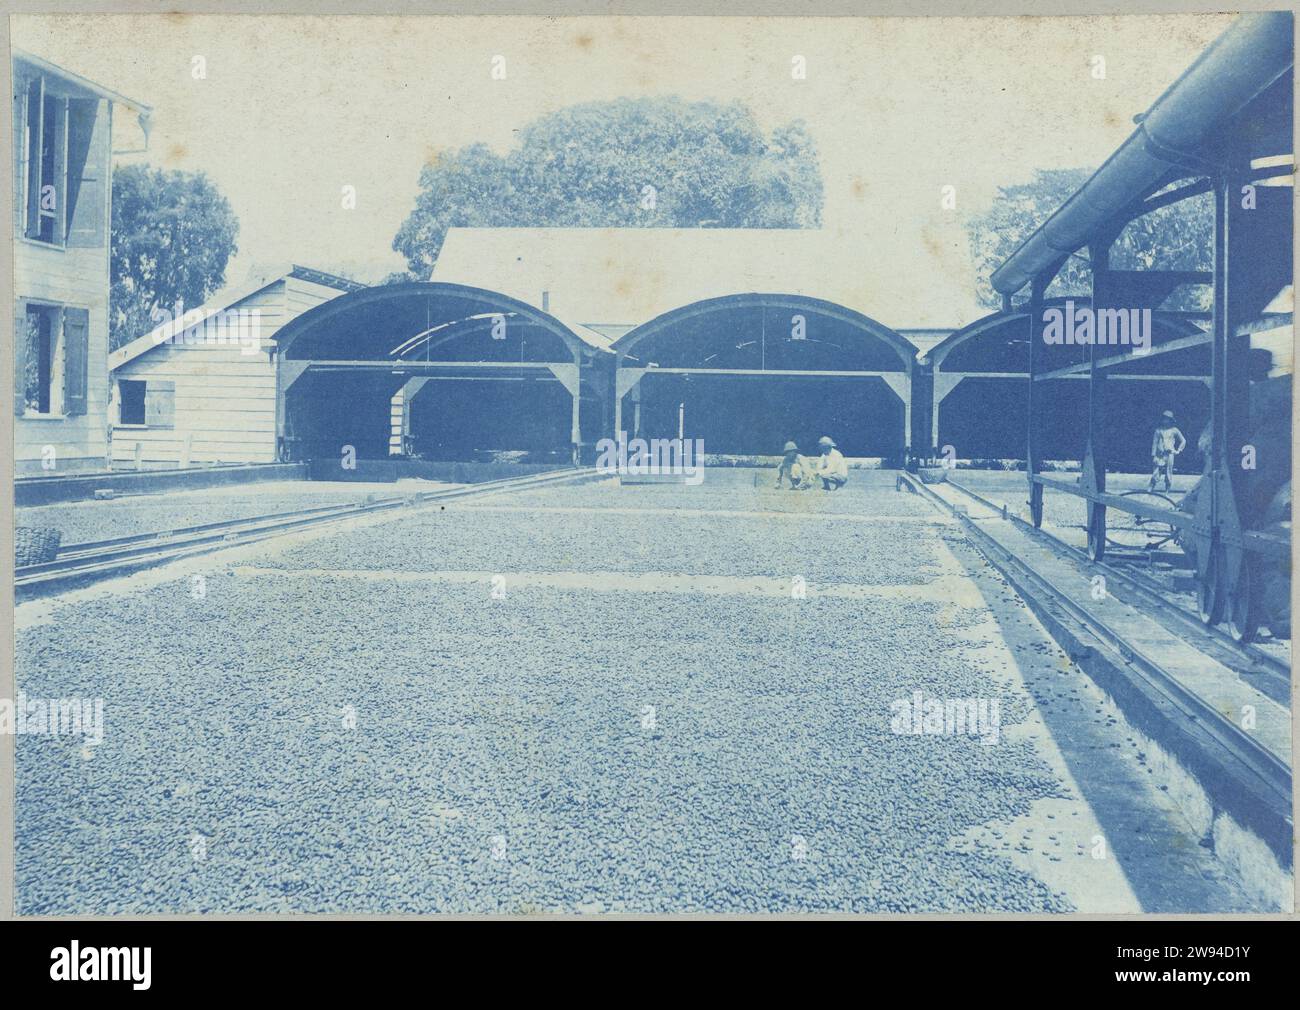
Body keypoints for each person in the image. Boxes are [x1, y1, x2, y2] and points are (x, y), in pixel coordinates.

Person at [1149, 410, 1186, 492]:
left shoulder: (1174, 430)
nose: (1165, 420)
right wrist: (1154, 455)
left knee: (1168, 472)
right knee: (1156, 471)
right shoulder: (1158, 430)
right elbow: (1154, 443)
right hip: (1159, 455)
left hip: (1169, 454)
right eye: (1164, 418)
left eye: (1167, 419)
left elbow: (1183, 440)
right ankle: (1150, 488)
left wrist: (1178, 450)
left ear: (1171, 420)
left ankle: (1167, 490)